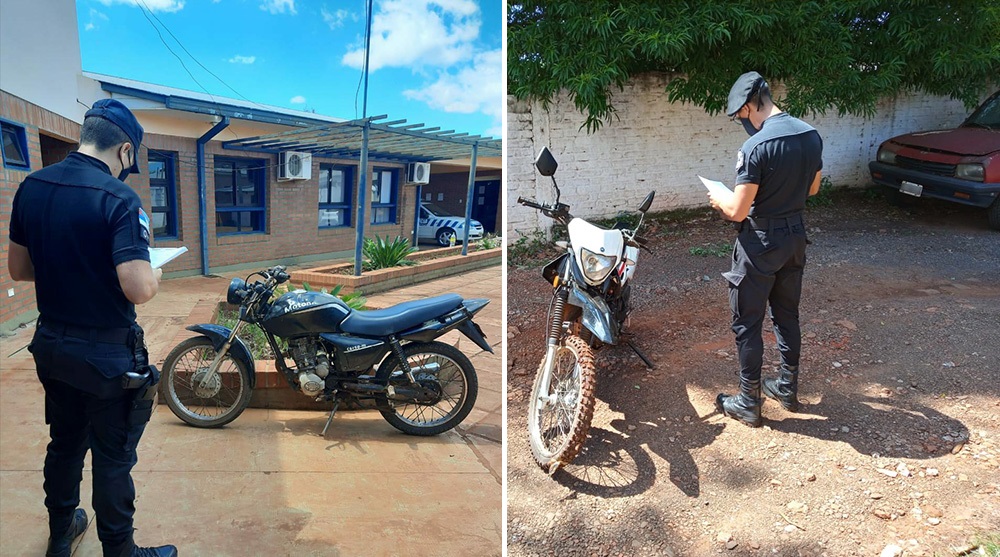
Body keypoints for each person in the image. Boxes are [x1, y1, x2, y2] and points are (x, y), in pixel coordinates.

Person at [7, 99, 177, 557]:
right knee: (112, 457)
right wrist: (154, 270)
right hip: (105, 358)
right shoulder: (119, 198)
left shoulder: (31, 187)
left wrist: (70, 266)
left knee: (64, 444)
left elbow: (19, 269)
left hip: (52, 347)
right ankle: (120, 551)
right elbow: (139, 288)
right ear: (125, 150)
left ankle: (61, 535)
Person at [707, 72, 824, 428]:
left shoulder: (755, 147)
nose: (741, 122)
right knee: (787, 315)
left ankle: (748, 401)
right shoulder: (809, 134)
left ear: (748, 106)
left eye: (739, 115)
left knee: (748, 323)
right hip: (794, 238)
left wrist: (718, 200)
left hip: (759, 243)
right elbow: (813, 189)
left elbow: (738, 211)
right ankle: (787, 389)